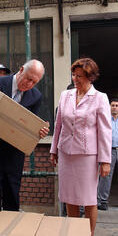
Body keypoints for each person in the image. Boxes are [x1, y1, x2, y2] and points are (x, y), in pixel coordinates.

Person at [0, 59, 49, 225]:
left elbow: (30, 125)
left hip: (14, 156)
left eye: (35, 82)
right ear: (21, 70)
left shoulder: (36, 96)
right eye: (28, 78)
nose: (29, 84)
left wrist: (39, 132)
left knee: (12, 200)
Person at [50, 58, 112, 236]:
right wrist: (54, 150)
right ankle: (74, 233)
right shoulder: (65, 95)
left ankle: (88, 234)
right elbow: (59, 124)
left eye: (80, 76)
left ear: (90, 77)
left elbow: (105, 131)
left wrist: (105, 161)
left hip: (87, 157)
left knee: (89, 199)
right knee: (70, 198)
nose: (75, 79)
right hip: (66, 153)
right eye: (73, 75)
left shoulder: (100, 98)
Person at [97, 98, 118, 211]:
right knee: (106, 176)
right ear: (109, 107)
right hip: (110, 150)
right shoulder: (106, 120)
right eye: (113, 105)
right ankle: (102, 201)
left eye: (116, 105)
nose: (114, 107)